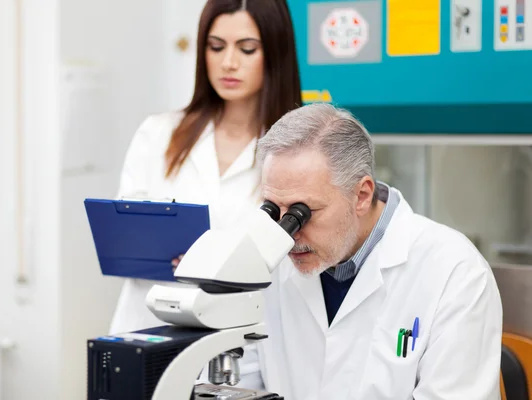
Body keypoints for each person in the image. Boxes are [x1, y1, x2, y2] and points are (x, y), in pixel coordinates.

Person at [239, 102, 503, 399]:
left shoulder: (456, 273)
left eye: (302, 212)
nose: (288, 233)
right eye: (275, 210)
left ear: (361, 195)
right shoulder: (267, 265)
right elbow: (243, 384)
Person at [109, 0, 302, 335]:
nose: (228, 63)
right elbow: (127, 240)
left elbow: (298, 264)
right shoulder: (158, 134)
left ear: (275, 51)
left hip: (240, 342)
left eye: (247, 49)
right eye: (216, 47)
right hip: (147, 328)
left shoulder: (295, 151)